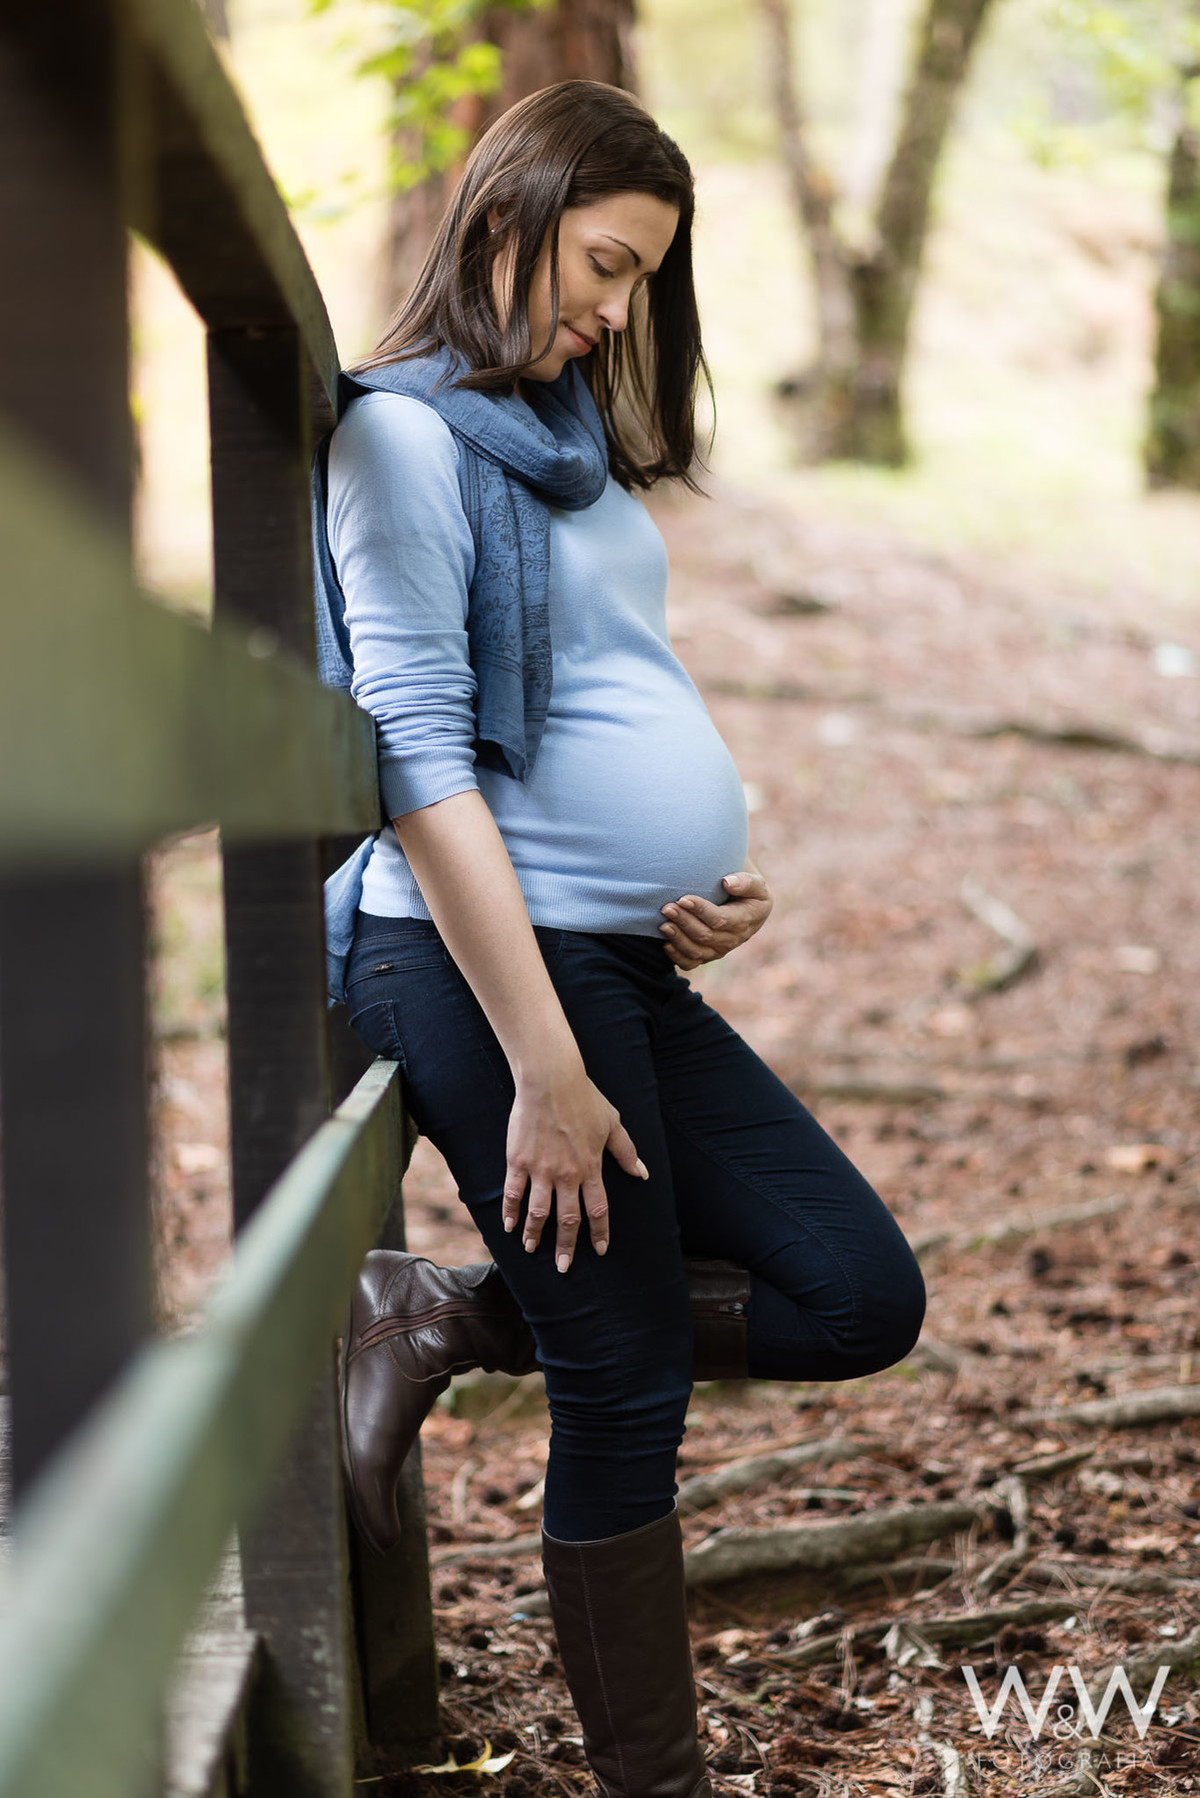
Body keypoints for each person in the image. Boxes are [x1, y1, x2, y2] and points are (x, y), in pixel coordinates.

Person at [315, 79, 926, 1798]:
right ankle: (655, 1779)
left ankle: (442, 1315)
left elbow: (611, 687)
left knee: (856, 1291)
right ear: (507, 219)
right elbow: (419, 759)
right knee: (625, 1367)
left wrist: (717, 870)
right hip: (480, 962)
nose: (618, 307)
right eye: (604, 263)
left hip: (628, 955)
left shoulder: (564, 438)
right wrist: (546, 1064)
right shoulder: (403, 442)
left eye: (645, 277)